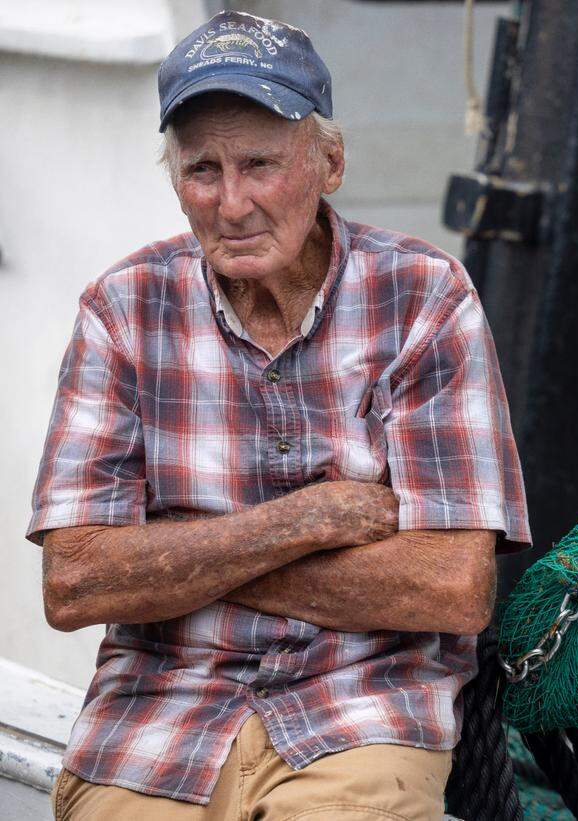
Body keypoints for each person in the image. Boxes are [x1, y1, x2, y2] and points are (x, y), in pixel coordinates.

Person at [28, 11, 529, 820]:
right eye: (202, 170)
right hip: (157, 717)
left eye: (260, 163)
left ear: (329, 161)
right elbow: (77, 581)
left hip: (359, 709)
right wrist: (310, 516)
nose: (232, 203)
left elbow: (453, 588)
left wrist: (178, 560)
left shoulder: (426, 299)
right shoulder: (122, 308)